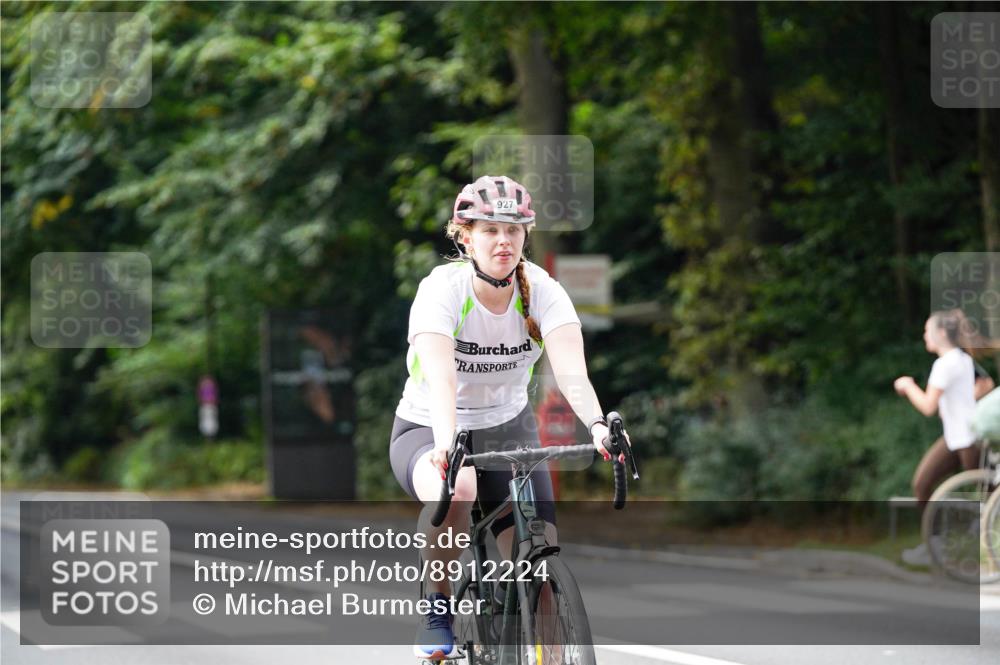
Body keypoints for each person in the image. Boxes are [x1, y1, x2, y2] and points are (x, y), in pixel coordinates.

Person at [388, 175, 631, 660]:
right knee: (460, 490)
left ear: (526, 235)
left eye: (514, 231)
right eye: (490, 231)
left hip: (510, 427)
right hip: (428, 426)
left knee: (539, 566)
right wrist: (444, 442)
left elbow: (572, 375)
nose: (504, 241)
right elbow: (441, 379)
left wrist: (600, 426)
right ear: (465, 236)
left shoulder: (542, 291)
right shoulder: (443, 290)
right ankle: (437, 609)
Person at [893, 309, 993, 566]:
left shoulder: (945, 364)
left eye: (927, 330)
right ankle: (935, 544)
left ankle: (972, 537)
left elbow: (928, 407)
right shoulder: (962, 359)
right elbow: (986, 383)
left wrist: (908, 386)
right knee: (923, 483)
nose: (924, 334)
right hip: (957, 437)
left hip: (968, 438)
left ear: (939, 333)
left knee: (990, 493)